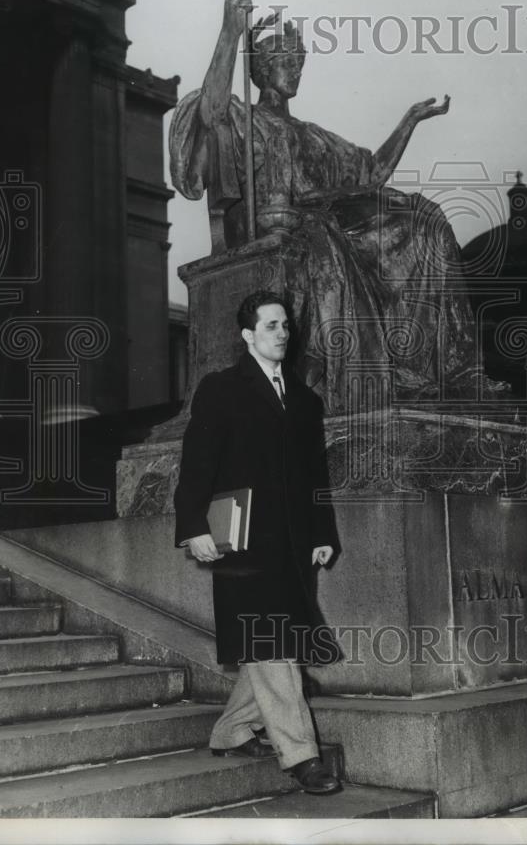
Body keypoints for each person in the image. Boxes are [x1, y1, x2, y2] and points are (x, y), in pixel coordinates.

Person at [169, 0, 500, 410]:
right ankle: (361, 374)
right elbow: (209, 112)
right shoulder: (243, 119)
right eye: (288, 62)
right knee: (327, 243)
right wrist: (231, 31)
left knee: (428, 220)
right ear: (264, 69)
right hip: (288, 233)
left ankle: (445, 366)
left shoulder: (315, 136)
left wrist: (410, 121)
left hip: (335, 225)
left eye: (299, 63)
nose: (296, 71)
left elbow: (372, 172)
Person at [173, 290, 342, 795]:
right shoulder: (221, 388)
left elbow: (316, 474)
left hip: (291, 546)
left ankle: (228, 733)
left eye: (285, 325)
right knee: (275, 642)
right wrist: (192, 526)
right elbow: (197, 460)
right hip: (243, 542)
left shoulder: (305, 399)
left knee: (270, 641)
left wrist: (322, 534)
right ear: (248, 335)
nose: (282, 333)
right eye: (271, 326)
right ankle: (302, 756)